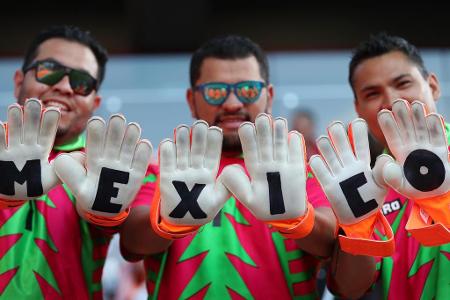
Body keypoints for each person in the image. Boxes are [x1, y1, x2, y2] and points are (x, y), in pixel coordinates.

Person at [119, 35, 374, 299]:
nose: (232, 103)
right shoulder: (166, 167)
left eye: (248, 90)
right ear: (192, 100)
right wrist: (168, 222)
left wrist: (299, 221)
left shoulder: (298, 167)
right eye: (216, 91)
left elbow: (331, 246)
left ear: (269, 96)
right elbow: (131, 245)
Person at [0, 25, 153, 299]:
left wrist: (107, 213)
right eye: (49, 71)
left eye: (81, 82)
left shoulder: (112, 168)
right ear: (18, 81)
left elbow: (135, 244)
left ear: (95, 101)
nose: (63, 87)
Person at [336, 32, 449, 299]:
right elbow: (350, 289)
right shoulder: (365, 186)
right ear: (358, 108)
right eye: (372, 93)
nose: (391, 100)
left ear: (432, 85)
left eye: (403, 83)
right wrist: (357, 230)